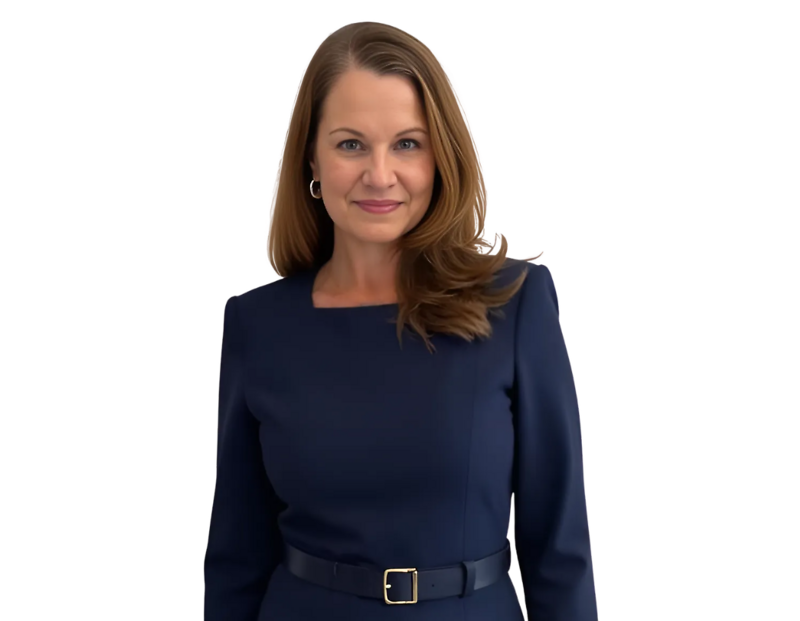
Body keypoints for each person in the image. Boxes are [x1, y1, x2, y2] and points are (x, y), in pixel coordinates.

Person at [204, 20, 598, 620]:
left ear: (442, 156)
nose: (380, 175)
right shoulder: (258, 325)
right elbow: (236, 553)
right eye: (351, 144)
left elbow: (559, 548)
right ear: (311, 156)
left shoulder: (515, 304)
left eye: (407, 144)